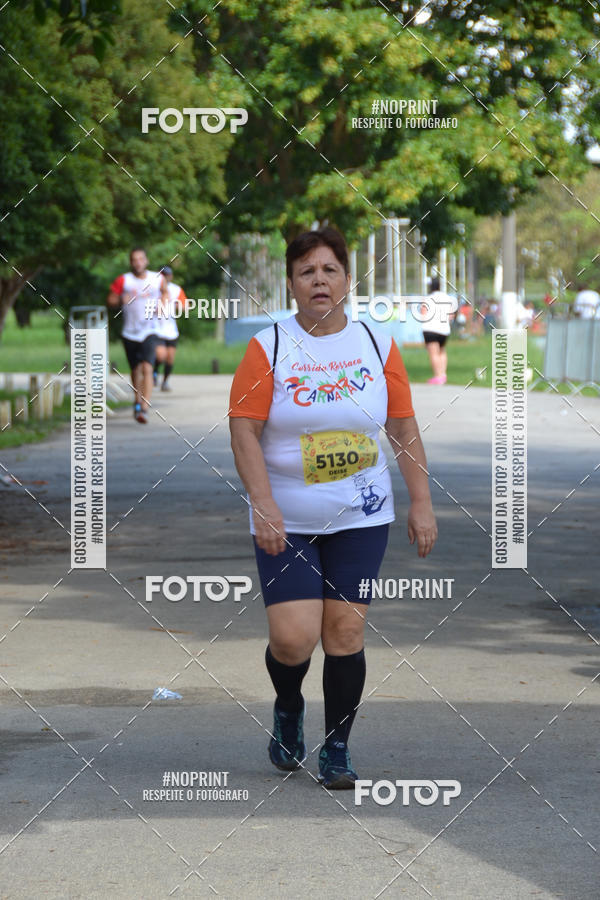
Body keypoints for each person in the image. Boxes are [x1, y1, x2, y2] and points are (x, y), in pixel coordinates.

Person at [228, 227, 437, 790]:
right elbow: (243, 430)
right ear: (292, 284)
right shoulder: (267, 346)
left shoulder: (377, 343)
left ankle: (337, 749)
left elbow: (402, 425)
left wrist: (421, 501)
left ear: (347, 279)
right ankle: (288, 706)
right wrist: (263, 501)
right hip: (286, 516)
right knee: (294, 638)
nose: (319, 280)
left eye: (329, 270)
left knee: (345, 632)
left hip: (362, 514)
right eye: (306, 271)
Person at [107, 248, 168, 423]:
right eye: (134, 260)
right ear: (131, 262)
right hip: (130, 332)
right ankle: (137, 399)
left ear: (146, 261)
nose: (138, 263)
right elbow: (110, 300)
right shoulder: (124, 280)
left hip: (150, 330)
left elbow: (164, 292)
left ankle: (144, 408)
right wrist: (120, 300)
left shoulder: (157, 278)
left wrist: (162, 304)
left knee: (147, 368)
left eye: (141, 259)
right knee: (136, 369)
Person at [153, 266, 187, 392]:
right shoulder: (153, 289)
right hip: (157, 329)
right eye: (164, 275)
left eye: (168, 275)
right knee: (160, 356)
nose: (166, 277)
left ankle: (165, 382)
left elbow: (185, 306)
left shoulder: (176, 289)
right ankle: (154, 373)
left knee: (170, 357)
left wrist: (180, 306)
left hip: (171, 329)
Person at [421, 276, 457, 384]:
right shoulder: (447, 297)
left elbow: (423, 313)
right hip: (444, 329)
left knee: (433, 353)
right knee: (441, 351)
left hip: (430, 329)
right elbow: (451, 315)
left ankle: (437, 375)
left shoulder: (428, 298)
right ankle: (443, 374)